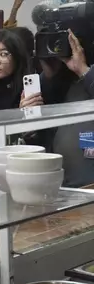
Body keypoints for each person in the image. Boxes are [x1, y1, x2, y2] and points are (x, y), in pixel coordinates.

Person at [42, 29, 94, 187]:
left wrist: (84, 70)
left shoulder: (85, 73)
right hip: (62, 185)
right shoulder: (66, 78)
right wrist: (50, 74)